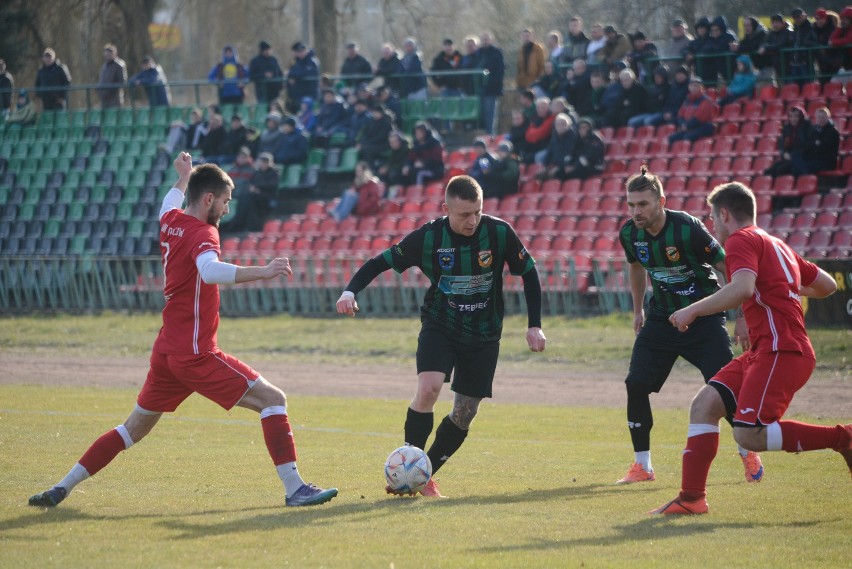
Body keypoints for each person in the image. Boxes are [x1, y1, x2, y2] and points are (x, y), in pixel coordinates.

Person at [28, 153, 338, 509]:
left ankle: (61, 488)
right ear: (208, 199)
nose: (226, 209)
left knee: (131, 430)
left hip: (166, 353)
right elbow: (209, 271)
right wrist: (264, 271)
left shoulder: (170, 220)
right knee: (274, 400)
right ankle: (295, 489)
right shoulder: (203, 232)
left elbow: (169, 199)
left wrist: (183, 175)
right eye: (224, 202)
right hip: (195, 353)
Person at [335, 175, 546, 498]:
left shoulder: (498, 232)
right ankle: (408, 467)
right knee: (429, 388)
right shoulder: (429, 237)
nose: (472, 221)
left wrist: (534, 324)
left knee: (466, 412)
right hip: (441, 325)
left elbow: (529, 272)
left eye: (477, 212)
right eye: (463, 214)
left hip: (485, 333)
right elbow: (381, 262)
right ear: (446, 208)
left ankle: (423, 474)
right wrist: (350, 291)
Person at [651, 181, 849, 516]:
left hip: (781, 349)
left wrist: (693, 309)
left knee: (750, 435)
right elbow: (827, 286)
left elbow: (742, 289)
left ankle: (843, 437)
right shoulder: (777, 245)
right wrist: (781, 285)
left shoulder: (741, 239)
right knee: (705, 405)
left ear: (725, 214)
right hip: (765, 350)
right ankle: (691, 499)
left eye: (713, 218)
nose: (712, 226)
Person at [616, 166, 760, 486]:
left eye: (643, 204)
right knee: (635, 384)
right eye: (631, 205)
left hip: (703, 319)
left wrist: (743, 316)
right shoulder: (629, 233)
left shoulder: (688, 228)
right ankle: (643, 466)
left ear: (661, 202)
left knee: (725, 388)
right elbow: (637, 268)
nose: (636, 211)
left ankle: (747, 453)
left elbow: (728, 266)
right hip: (662, 319)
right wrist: (638, 310)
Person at [763, 106, 812, 177]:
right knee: (768, 172)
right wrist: (784, 153)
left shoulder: (807, 128)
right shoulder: (787, 128)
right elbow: (783, 145)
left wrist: (791, 155)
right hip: (789, 157)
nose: (793, 119)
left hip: (800, 158)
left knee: (781, 170)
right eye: (791, 116)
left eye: (796, 116)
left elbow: (806, 146)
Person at [667, 77, 716, 144]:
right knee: (671, 138)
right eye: (692, 85)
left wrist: (686, 126)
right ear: (689, 87)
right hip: (689, 127)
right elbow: (680, 115)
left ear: (701, 87)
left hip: (704, 126)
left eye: (697, 85)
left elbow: (699, 117)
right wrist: (682, 124)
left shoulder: (706, 100)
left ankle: (690, 154)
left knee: (687, 138)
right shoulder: (687, 100)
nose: (694, 87)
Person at [478, 33, 505, 135]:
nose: (485, 41)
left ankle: (491, 136)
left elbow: (499, 70)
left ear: (491, 40)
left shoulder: (496, 53)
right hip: (481, 88)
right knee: (483, 114)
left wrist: (493, 82)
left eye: (487, 39)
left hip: (492, 89)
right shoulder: (479, 53)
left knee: (491, 115)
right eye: (483, 39)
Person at [403, 121, 444, 186]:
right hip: (419, 168)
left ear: (426, 132)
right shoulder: (415, 145)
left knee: (419, 173)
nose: (418, 134)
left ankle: (418, 193)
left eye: (420, 132)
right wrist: (407, 166)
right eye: (416, 133)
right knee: (406, 173)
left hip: (434, 170)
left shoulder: (434, 143)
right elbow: (410, 158)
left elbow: (436, 159)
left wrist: (423, 163)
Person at [537, 113, 576, 180]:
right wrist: (546, 167)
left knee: (554, 175)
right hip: (555, 165)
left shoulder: (572, 137)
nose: (560, 126)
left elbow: (569, 155)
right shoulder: (554, 137)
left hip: (567, 166)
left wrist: (559, 167)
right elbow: (549, 153)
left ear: (569, 125)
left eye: (563, 124)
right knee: (538, 176)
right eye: (558, 124)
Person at [803, 106, 840, 173]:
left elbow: (823, 148)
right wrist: (815, 143)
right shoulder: (814, 130)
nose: (820, 119)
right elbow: (808, 145)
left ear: (828, 118)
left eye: (823, 117)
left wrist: (814, 144)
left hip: (826, 162)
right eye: (819, 117)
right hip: (814, 159)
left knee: (803, 167)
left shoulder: (832, 132)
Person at [758, 15, 795, 81]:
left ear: (782, 23)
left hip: (788, 63)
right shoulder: (771, 33)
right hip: (777, 65)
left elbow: (780, 44)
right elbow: (764, 43)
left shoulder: (787, 32)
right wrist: (763, 47)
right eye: (773, 23)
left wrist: (766, 48)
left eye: (777, 22)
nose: (775, 25)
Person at [287, 42, 320, 113]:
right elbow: (290, 73)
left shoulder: (312, 61)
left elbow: (309, 72)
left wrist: (295, 77)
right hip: (298, 95)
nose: (300, 53)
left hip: (310, 93)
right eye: (299, 51)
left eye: (302, 51)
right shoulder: (298, 62)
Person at [249, 41, 284, 105]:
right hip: (262, 91)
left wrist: (280, 86)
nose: (268, 51)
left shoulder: (274, 60)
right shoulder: (255, 61)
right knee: (264, 109)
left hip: (274, 91)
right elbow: (252, 76)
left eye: (269, 49)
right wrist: (263, 75)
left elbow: (279, 73)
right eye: (266, 50)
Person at [96, 44, 127, 108]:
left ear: (114, 54)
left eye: (109, 54)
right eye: (106, 54)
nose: (107, 56)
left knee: (115, 116)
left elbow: (122, 81)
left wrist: (112, 88)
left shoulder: (119, 65)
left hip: (115, 98)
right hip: (104, 97)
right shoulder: (105, 65)